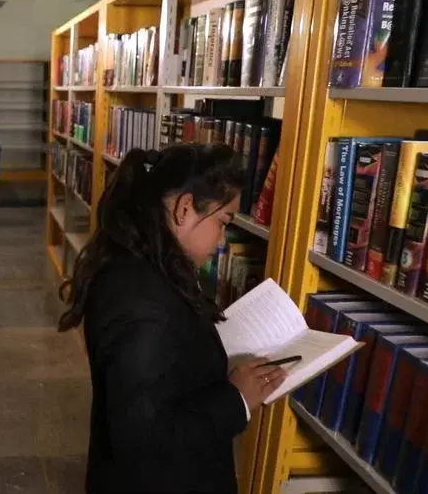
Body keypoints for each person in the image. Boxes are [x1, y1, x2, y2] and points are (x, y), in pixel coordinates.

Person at [58, 144, 286, 493]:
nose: (222, 241)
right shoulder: (141, 305)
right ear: (184, 209)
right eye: (223, 223)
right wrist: (237, 399)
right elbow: (142, 445)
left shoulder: (147, 265)